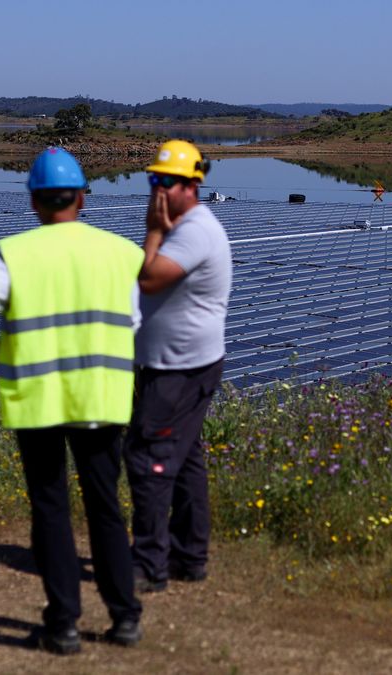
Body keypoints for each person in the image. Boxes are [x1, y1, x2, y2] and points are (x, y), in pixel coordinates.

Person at [0, 147, 143, 655]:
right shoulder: (121, 252)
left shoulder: (16, 253)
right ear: (83, 198)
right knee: (106, 508)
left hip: (37, 400)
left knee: (51, 509)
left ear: (34, 203)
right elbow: (133, 323)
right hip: (102, 399)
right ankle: (125, 617)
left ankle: (62, 626)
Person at [127, 140, 232, 592]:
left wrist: (152, 231)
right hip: (180, 364)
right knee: (186, 460)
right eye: (155, 180)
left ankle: (149, 564)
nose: (158, 191)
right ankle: (190, 557)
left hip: (179, 369)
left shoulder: (191, 231)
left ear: (192, 185)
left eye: (166, 182)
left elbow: (148, 280)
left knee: (148, 457)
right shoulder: (184, 226)